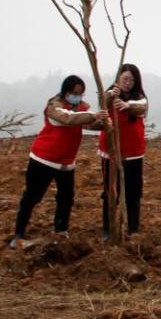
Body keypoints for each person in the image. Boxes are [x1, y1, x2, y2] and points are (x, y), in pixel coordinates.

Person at [11, 75, 108, 247]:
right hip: (43, 159)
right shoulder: (54, 107)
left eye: (80, 94)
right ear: (65, 92)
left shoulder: (82, 108)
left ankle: (61, 231)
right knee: (32, 196)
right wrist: (93, 115)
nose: (77, 97)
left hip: (66, 162)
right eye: (74, 93)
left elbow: (88, 123)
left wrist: (104, 122)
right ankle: (18, 233)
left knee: (66, 198)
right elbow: (69, 119)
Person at [99, 64, 149, 240]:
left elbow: (140, 107)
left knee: (133, 194)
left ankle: (133, 230)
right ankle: (108, 230)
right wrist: (110, 97)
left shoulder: (139, 99)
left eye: (132, 80)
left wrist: (126, 105)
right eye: (125, 79)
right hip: (111, 153)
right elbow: (101, 107)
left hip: (133, 154)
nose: (128, 83)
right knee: (110, 193)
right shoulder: (109, 95)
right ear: (118, 79)